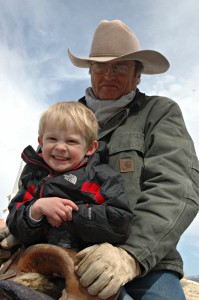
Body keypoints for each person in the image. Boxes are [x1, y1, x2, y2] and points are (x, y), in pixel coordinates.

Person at [65, 20, 198, 300]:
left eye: (121, 67)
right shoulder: (66, 118)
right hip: (65, 249)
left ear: (138, 75)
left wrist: (130, 255)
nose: (109, 74)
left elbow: (176, 186)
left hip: (146, 265)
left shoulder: (159, 112)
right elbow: (36, 176)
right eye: (100, 66)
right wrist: (22, 220)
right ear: (90, 71)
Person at [5, 101, 133, 250]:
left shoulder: (102, 178)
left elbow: (120, 221)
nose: (59, 147)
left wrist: (70, 214)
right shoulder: (33, 179)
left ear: (90, 148)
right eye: (52, 139)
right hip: (34, 257)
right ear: (41, 142)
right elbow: (14, 220)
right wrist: (36, 209)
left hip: (85, 261)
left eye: (71, 141)